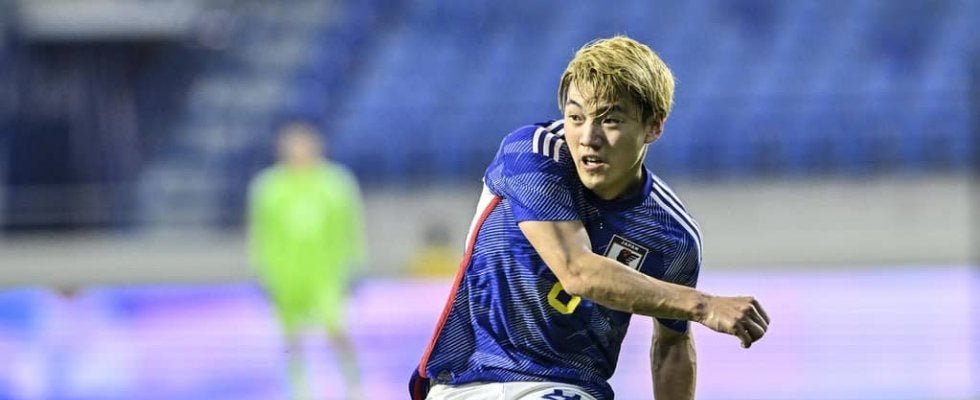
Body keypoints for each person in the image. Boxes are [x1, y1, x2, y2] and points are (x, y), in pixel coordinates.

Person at [410, 35, 770, 400]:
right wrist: (704, 305)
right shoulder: (533, 153)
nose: (588, 137)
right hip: (467, 384)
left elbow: (672, 344)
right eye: (576, 117)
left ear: (654, 126)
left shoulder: (671, 236)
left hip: (567, 389)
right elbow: (577, 271)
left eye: (610, 120)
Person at [248, 120, 365, 400]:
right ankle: (299, 389)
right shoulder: (269, 187)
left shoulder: (335, 183)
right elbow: (261, 233)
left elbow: (351, 227)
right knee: (292, 338)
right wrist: (262, 271)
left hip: (326, 273)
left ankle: (353, 385)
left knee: (337, 330)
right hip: (287, 275)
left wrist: (355, 264)